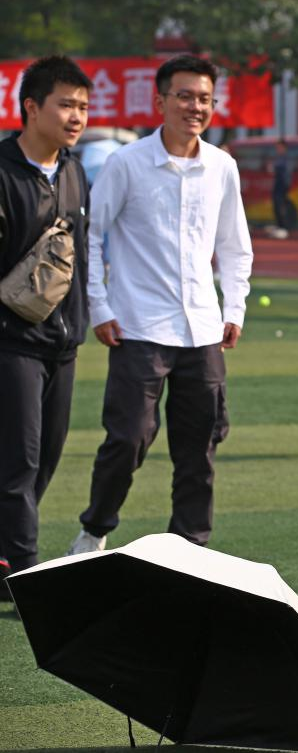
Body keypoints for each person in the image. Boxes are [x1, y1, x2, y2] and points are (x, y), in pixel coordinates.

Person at [69, 55, 253, 556]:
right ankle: (94, 531)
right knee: (128, 439)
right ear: (160, 101)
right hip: (138, 326)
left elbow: (235, 246)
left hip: (202, 329)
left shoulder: (222, 167)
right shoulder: (126, 164)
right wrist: (99, 305)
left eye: (205, 98)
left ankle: (189, 550)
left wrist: (233, 309)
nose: (195, 107)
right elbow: (92, 237)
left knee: (199, 449)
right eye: (185, 96)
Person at [0, 56, 92, 597]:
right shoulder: (4, 171)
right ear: (32, 107)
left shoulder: (74, 172)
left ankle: (5, 557)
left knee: (45, 459)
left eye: (82, 106)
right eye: (65, 105)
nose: (76, 116)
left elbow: (82, 255)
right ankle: (25, 575)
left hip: (63, 341)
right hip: (11, 341)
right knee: (20, 459)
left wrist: (82, 322)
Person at [271, 138, 295, 237]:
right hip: (278, 186)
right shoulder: (279, 158)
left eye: (279, 147)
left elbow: (286, 175)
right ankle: (280, 226)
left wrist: (286, 187)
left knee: (281, 207)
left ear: (284, 147)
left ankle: (284, 228)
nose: (278, 149)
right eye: (277, 148)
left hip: (283, 187)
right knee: (276, 206)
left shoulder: (286, 159)